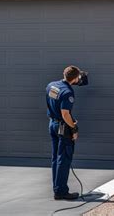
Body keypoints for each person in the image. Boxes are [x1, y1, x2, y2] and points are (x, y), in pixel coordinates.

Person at [45, 65, 87, 200]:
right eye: (78, 77)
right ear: (74, 78)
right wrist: (74, 128)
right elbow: (65, 114)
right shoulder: (68, 92)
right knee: (64, 159)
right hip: (63, 127)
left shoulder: (52, 86)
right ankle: (61, 191)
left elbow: (53, 102)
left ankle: (57, 188)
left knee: (56, 158)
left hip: (52, 123)